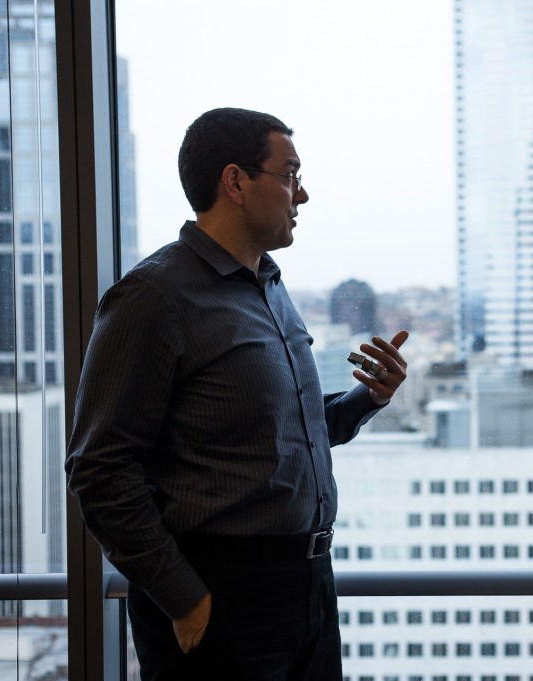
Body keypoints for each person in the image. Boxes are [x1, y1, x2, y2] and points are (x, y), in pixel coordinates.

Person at [66, 107, 408, 681]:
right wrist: (183, 594)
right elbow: (98, 468)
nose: (303, 195)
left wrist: (365, 400)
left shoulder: (269, 286)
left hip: (307, 590)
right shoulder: (155, 297)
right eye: (290, 174)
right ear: (235, 182)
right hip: (220, 595)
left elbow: (289, 431)